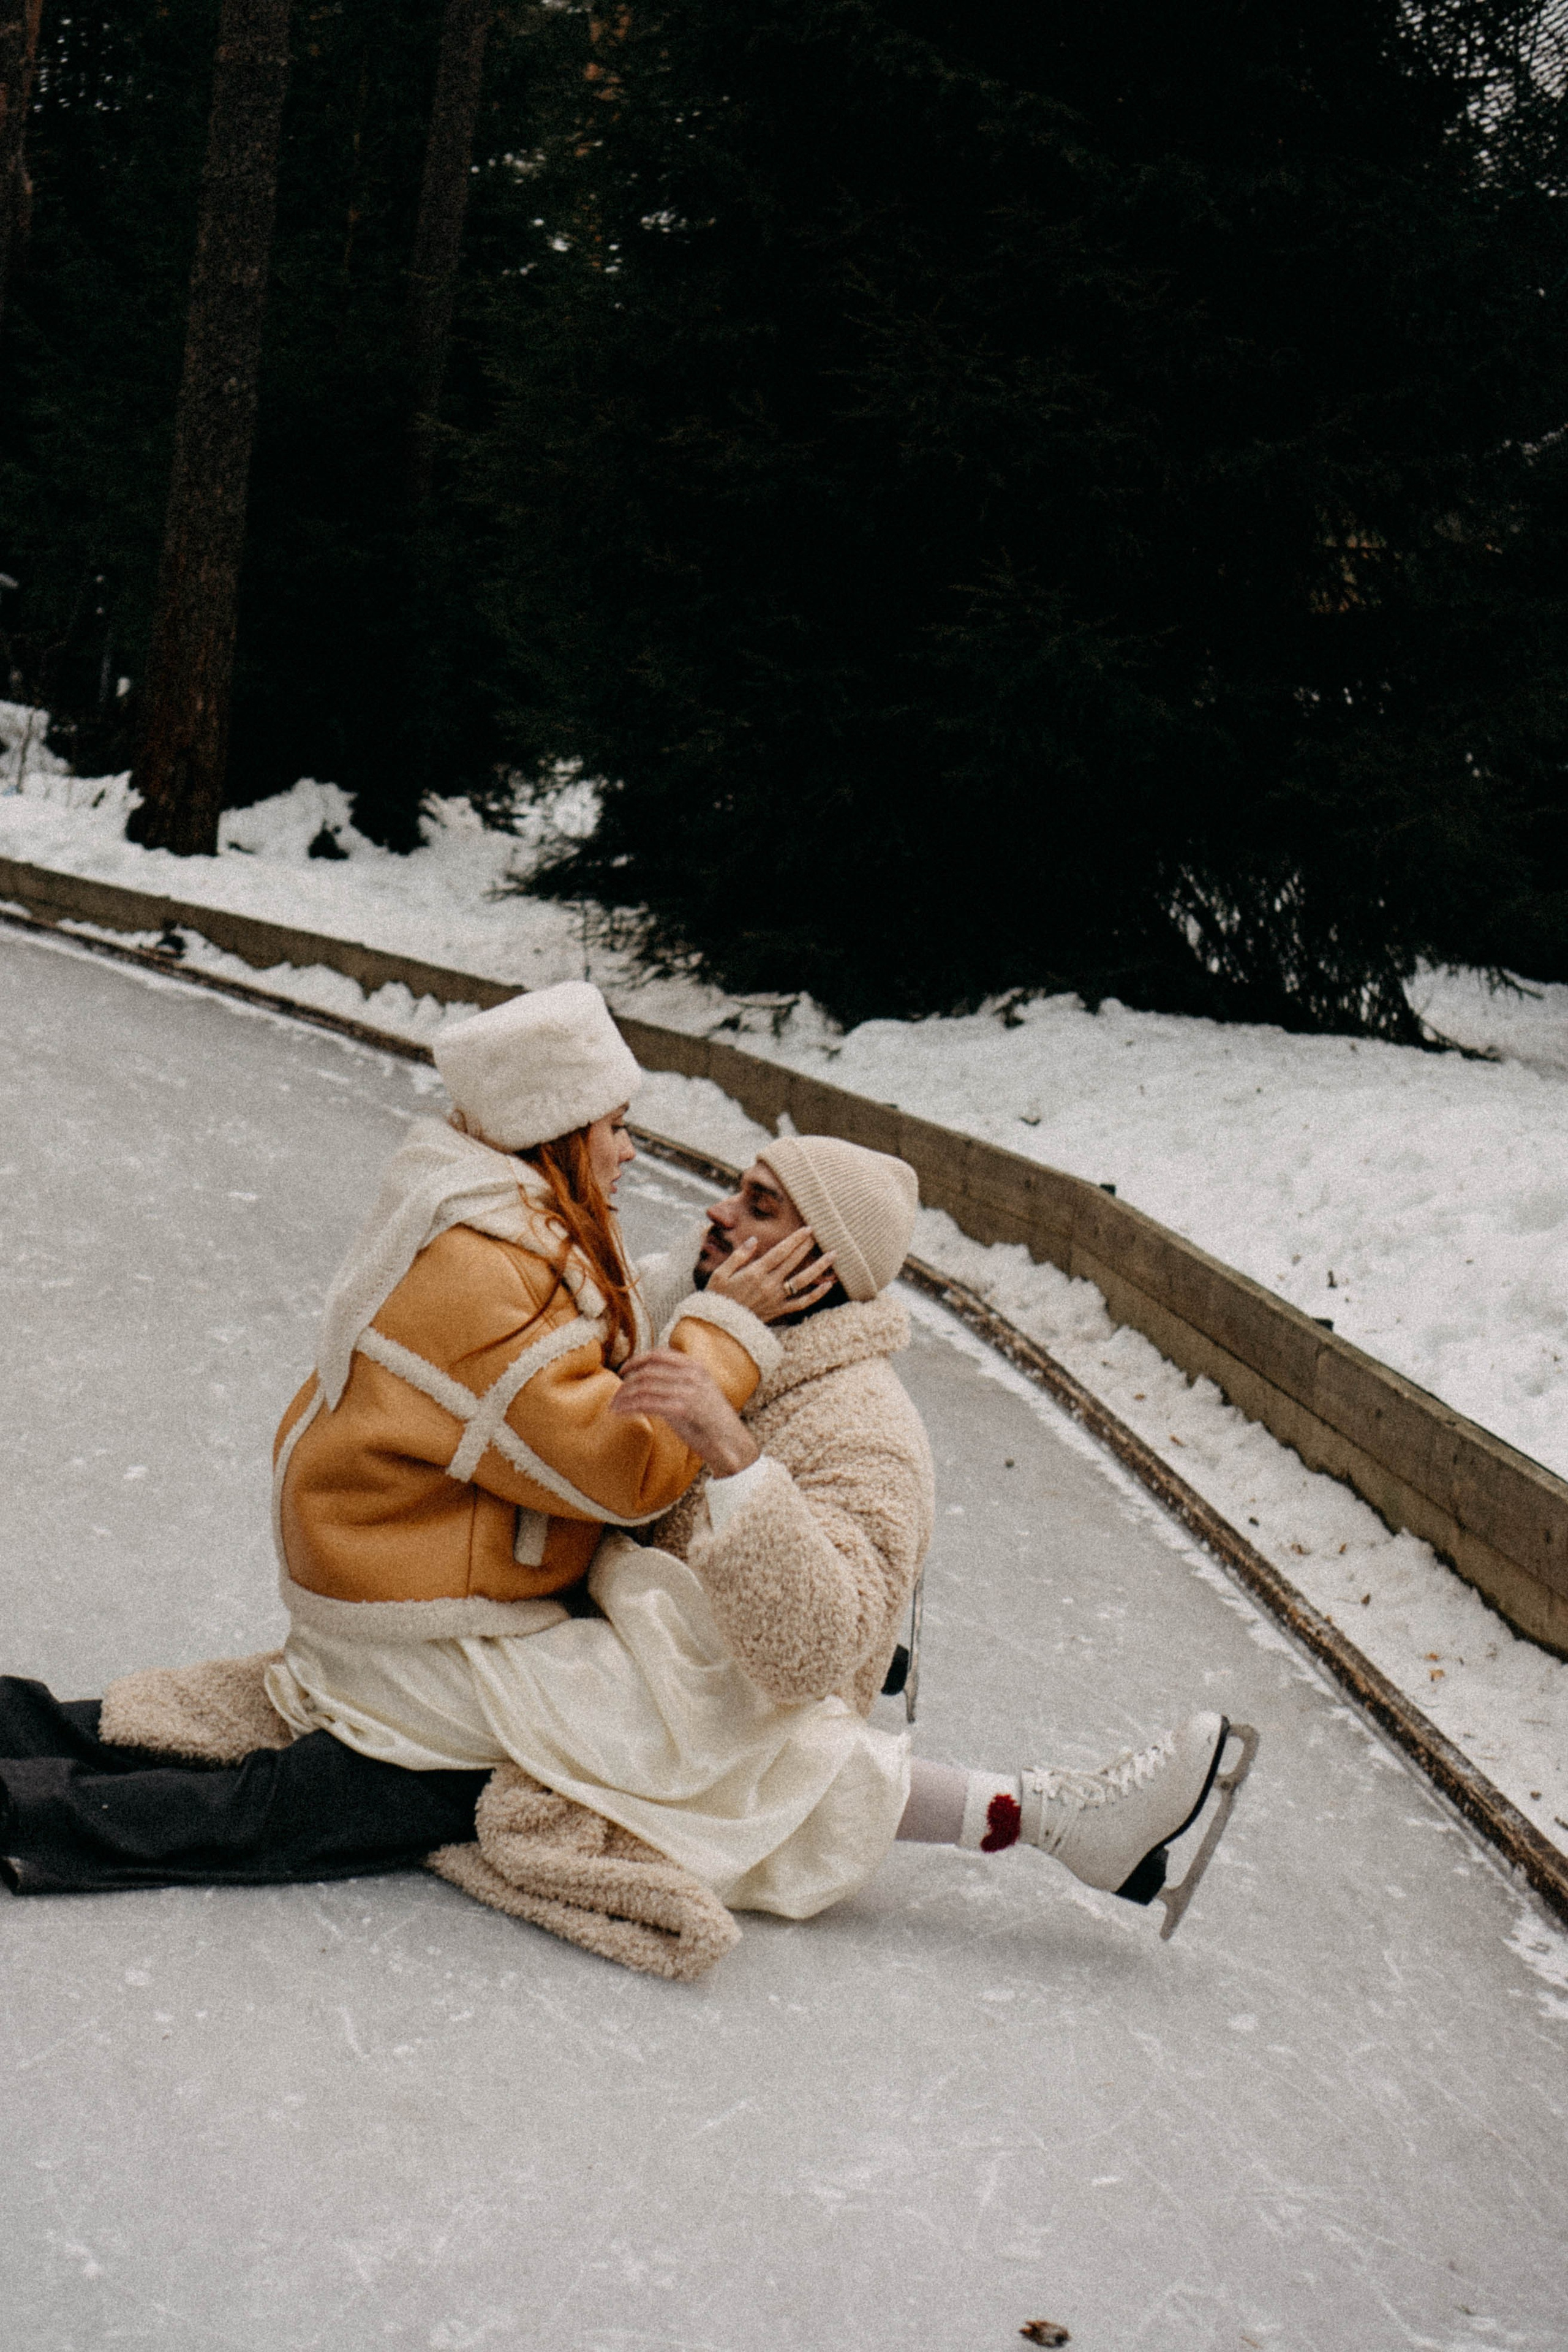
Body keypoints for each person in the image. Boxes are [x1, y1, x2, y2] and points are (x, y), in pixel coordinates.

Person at [0, 981, 1250, 1961]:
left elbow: (819, 1651)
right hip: (452, 1625)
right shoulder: (531, 1262)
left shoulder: (861, 1427)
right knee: (312, 1792)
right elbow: (607, 1414)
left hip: (503, 1629)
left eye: (757, 1208)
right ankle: (1054, 1820)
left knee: (329, 1780)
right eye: (619, 1128)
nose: (696, 1203)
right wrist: (721, 1340)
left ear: (818, 1264)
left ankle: (1062, 1823)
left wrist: (740, 1451)